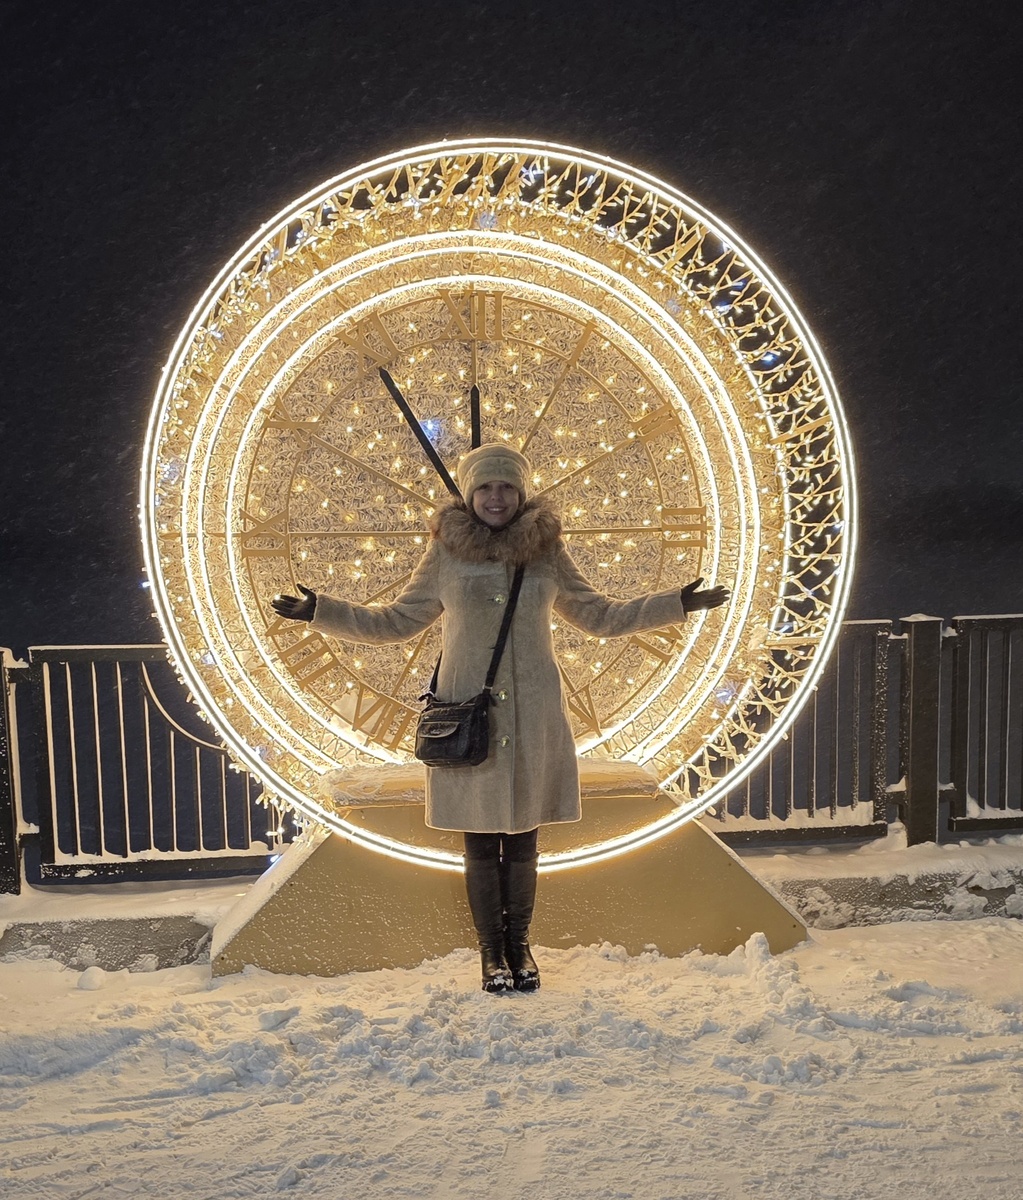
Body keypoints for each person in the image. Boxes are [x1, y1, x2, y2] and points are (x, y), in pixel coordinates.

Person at [271, 443, 729, 995]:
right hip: (471, 720)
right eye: (485, 487)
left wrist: (675, 604)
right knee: (481, 845)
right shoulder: (446, 554)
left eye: (507, 487)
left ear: (521, 493)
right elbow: (396, 622)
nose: (496, 497)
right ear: (469, 495)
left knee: (525, 842)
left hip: (533, 717)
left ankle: (520, 946)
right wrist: (322, 611)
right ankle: (492, 952)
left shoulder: (545, 552)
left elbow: (599, 615)